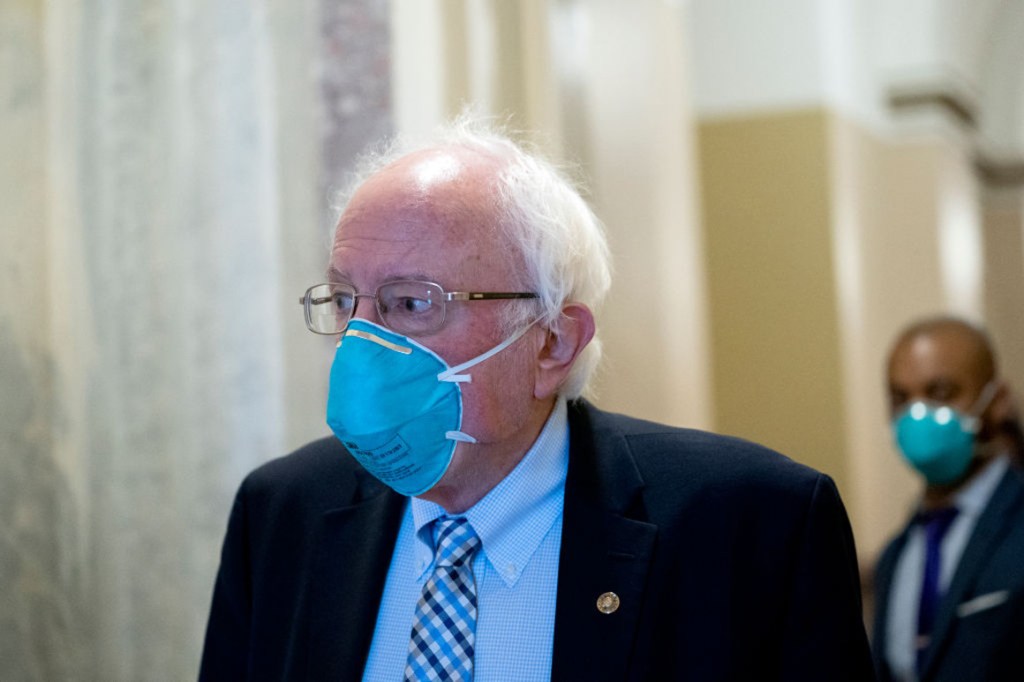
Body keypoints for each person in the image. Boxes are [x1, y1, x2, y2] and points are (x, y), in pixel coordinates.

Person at [199, 118, 873, 681]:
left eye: (411, 303)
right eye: (347, 299)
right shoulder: (282, 513)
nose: (359, 340)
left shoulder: (752, 527)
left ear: (552, 342)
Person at [871, 316, 1024, 682]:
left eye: (940, 393)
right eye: (900, 398)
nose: (917, 414)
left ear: (997, 400)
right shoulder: (894, 558)